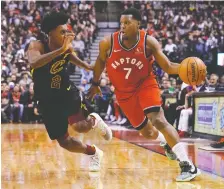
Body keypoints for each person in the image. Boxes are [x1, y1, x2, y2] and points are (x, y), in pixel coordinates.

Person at [87, 8, 201, 181]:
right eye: (121, 23)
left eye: (127, 23)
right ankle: (165, 142)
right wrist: (95, 84)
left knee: (158, 120)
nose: (123, 26)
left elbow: (169, 66)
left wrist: (189, 68)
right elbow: (100, 63)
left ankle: (187, 165)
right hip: (124, 92)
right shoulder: (107, 43)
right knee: (147, 132)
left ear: (138, 24)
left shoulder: (149, 43)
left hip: (145, 85)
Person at [26, 10, 112, 172]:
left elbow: (71, 57)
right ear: (50, 33)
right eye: (62, 32)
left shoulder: (66, 48)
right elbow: (34, 62)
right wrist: (61, 50)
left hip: (66, 92)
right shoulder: (36, 45)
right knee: (64, 142)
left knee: (80, 127)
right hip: (46, 100)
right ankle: (94, 152)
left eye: (67, 31)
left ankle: (94, 120)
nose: (66, 34)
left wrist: (87, 67)